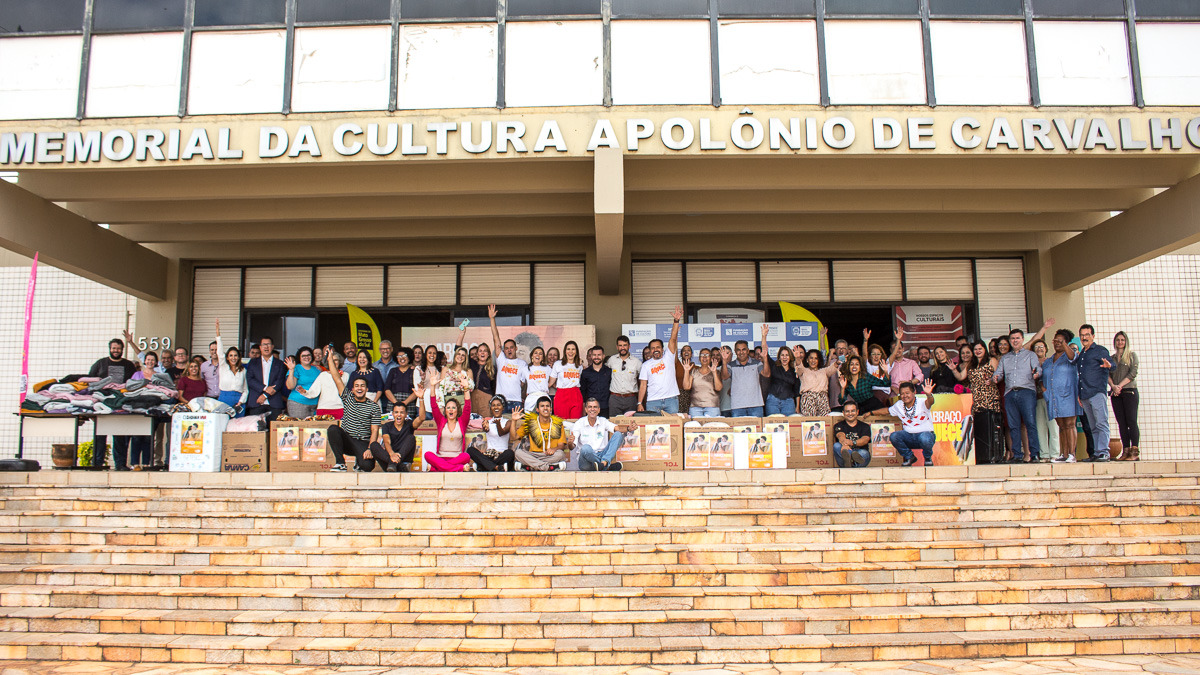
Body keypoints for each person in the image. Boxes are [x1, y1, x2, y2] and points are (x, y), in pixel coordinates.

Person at [993, 328, 1043, 463]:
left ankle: (1035, 454)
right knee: (1013, 425)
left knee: (1030, 423)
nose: (1015, 340)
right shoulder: (1005, 358)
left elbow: (1038, 368)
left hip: (1026, 391)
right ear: (1010, 341)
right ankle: (1017, 455)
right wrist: (995, 377)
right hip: (1010, 393)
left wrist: (1037, 374)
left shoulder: (1030, 355)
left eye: (1017, 338)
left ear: (1022, 340)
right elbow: (998, 373)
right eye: (1013, 338)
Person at [325, 373, 383, 473]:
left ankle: (359, 463)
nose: (359, 388)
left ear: (367, 389)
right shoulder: (348, 398)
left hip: (363, 442)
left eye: (362, 386)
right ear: (352, 389)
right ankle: (340, 463)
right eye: (356, 386)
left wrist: (369, 449)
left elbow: (375, 430)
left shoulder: (374, 407)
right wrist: (330, 358)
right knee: (333, 429)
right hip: (348, 440)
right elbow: (337, 379)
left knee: (367, 467)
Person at [958, 340, 1003, 464]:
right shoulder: (971, 364)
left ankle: (994, 455)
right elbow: (961, 377)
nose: (978, 351)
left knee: (991, 427)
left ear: (985, 349)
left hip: (990, 397)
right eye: (975, 349)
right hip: (976, 399)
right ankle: (982, 456)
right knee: (979, 428)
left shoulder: (992, 360)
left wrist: (993, 380)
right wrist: (953, 369)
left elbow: (999, 374)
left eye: (980, 349)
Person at [1076, 324, 1113, 463]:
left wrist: (1109, 365)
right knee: (1093, 426)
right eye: (1082, 335)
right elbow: (1080, 375)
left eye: (1087, 335)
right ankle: (1097, 453)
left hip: (1097, 392)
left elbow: (1111, 363)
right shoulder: (1082, 354)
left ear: (1093, 336)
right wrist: (1080, 394)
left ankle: (1104, 452)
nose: (1084, 337)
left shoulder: (1099, 350)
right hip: (1085, 395)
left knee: (1101, 423)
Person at [638, 306, 685, 414]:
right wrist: (639, 402)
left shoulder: (668, 357)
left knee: (673, 427)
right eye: (653, 348)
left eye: (658, 347)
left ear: (662, 349)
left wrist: (676, 321)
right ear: (649, 351)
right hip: (653, 401)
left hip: (671, 400)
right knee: (653, 429)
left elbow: (672, 339)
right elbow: (643, 385)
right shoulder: (646, 365)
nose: (656, 350)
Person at [569, 398, 638, 471]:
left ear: (599, 410)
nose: (592, 409)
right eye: (590, 407)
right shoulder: (579, 423)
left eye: (595, 407)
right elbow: (571, 447)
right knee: (585, 448)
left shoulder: (603, 421)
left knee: (618, 435)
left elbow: (617, 428)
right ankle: (606, 467)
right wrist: (570, 443)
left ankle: (603, 464)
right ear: (586, 409)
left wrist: (628, 429)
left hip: (602, 455)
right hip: (586, 462)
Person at [1043, 329, 1079, 463]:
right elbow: (1042, 377)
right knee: (1061, 425)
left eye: (1060, 341)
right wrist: (1044, 390)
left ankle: (1072, 454)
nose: (1057, 343)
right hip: (1053, 397)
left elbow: (1072, 357)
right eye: (1055, 341)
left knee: (1070, 424)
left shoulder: (1070, 355)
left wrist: (1065, 345)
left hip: (1068, 395)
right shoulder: (1049, 360)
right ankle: (1063, 454)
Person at [719, 322, 770, 416]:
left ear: (747, 350)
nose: (741, 352)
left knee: (757, 431)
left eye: (743, 349)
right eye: (738, 350)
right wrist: (724, 361)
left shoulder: (756, 363)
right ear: (735, 352)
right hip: (737, 406)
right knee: (739, 431)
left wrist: (765, 359)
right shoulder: (731, 365)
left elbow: (766, 374)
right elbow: (724, 377)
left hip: (756, 405)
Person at [488, 305, 529, 413]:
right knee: (501, 427)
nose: (509, 350)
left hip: (517, 402)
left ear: (516, 348)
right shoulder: (501, 360)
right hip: (501, 401)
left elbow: (523, 384)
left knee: (516, 429)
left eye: (511, 348)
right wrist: (492, 319)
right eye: (506, 348)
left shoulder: (522, 364)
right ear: (503, 350)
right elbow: (496, 338)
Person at [512, 394, 568, 471]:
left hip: (549, 455)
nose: (545, 408)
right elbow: (514, 437)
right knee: (518, 453)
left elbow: (561, 446)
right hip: (533, 455)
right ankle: (547, 467)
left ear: (551, 409)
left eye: (547, 406)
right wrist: (514, 421)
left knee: (560, 454)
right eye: (542, 406)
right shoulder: (530, 423)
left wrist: (554, 449)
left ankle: (532, 466)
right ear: (537, 409)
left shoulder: (558, 424)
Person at [888, 379, 937, 467]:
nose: (904, 396)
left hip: (925, 436)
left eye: (907, 393)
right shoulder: (899, 405)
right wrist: (871, 413)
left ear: (914, 393)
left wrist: (929, 394)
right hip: (909, 437)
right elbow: (887, 411)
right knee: (894, 436)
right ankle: (909, 457)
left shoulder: (922, 402)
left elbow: (930, 402)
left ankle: (927, 458)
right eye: (902, 393)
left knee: (925, 438)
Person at [1110, 331, 1139, 461]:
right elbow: (1107, 375)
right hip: (1116, 394)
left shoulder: (1132, 356)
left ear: (1126, 341)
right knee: (1121, 422)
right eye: (1118, 340)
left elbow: (1132, 373)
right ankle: (1126, 449)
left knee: (1131, 421)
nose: (1120, 342)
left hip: (1129, 391)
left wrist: (1119, 386)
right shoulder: (1112, 358)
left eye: (1122, 340)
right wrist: (1114, 387)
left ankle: (1134, 450)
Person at [371, 399, 421, 472]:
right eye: (396, 412)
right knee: (373, 445)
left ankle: (393, 464)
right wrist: (392, 454)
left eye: (402, 412)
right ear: (393, 414)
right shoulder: (387, 426)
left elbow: (421, 418)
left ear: (406, 414)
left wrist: (421, 399)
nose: (399, 415)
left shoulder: (409, 424)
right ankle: (393, 464)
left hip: (403, 462)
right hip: (391, 465)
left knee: (411, 438)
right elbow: (386, 441)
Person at [297, 352, 351, 419]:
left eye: (336, 360)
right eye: (331, 360)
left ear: (340, 361)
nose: (334, 362)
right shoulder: (323, 375)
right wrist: (305, 392)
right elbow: (314, 391)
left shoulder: (346, 375)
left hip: (341, 408)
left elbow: (349, 394)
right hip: (324, 408)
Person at [1030, 339, 1059, 461]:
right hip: (1036, 398)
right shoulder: (1031, 363)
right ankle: (1044, 454)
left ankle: (1055, 454)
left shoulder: (1051, 361)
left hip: (1050, 398)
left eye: (1041, 346)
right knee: (1040, 427)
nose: (1039, 349)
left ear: (1046, 348)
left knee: (1053, 427)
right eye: (1036, 347)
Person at [471, 395, 516, 472]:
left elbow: (502, 433)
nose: (496, 407)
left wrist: (498, 424)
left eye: (498, 405)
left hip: (502, 455)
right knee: (470, 450)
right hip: (489, 455)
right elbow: (486, 429)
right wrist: (485, 426)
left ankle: (484, 466)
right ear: (491, 408)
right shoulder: (487, 422)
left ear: (503, 408)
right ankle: (497, 467)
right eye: (493, 405)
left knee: (510, 453)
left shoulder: (508, 422)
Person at [246, 336, 287, 419]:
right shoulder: (253, 362)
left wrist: (265, 395)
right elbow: (250, 380)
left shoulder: (280, 364)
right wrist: (264, 388)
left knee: (274, 431)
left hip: (274, 404)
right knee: (256, 430)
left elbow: (279, 382)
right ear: (260, 347)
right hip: (256, 402)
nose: (266, 347)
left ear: (272, 347)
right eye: (264, 344)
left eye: (268, 344)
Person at [798, 331, 838, 416]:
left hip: (822, 398)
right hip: (808, 398)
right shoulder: (803, 370)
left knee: (824, 422)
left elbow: (833, 367)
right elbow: (798, 365)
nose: (813, 360)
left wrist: (840, 360)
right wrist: (797, 357)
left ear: (819, 360)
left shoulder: (824, 371)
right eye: (811, 358)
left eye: (816, 358)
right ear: (807, 360)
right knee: (810, 423)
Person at [213, 320, 247, 414]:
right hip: (224, 398)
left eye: (235, 355)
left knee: (237, 426)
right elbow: (219, 353)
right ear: (227, 357)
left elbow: (245, 390)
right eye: (231, 355)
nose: (233, 358)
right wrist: (218, 334)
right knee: (223, 425)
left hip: (239, 401)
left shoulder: (243, 370)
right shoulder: (223, 367)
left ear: (239, 357)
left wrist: (240, 402)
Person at [607, 335, 641, 417]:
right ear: (617, 347)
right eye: (620, 345)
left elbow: (643, 380)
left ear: (629, 346)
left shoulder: (637, 362)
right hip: (615, 398)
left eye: (625, 345)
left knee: (631, 424)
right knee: (614, 423)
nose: (623, 348)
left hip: (630, 398)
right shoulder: (611, 360)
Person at [283, 347, 321, 418]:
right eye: (303, 356)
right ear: (299, 358)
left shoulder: (317, 370)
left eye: (308, 355)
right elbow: (290, 386)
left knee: (314, 428)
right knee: (300, 428)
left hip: (315, 404)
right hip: (298, 403)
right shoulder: (296, 368)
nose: (306, 357)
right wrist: (291, 370)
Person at [683, 348, 722, 417]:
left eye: (707, 355)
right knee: (695, 427)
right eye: (702, 355)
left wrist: (714, 372)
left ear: (710, 358)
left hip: (712, 407)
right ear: (699, 358)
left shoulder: (716, 372)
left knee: (712, 427)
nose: (704, 357)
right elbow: (686, 387)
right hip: (695, 407)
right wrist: (686, 371)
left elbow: (718, 388)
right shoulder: (694, 371)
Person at [550, 341, 584, 419]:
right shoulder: (558, 364)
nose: (570, 352)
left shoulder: (579, 365)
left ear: (576, 351)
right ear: (565, 351)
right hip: (561, 395)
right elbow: (551, 382)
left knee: (575, 422)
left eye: (573, 349)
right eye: (568, 349)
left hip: (575, 394)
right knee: (562, 423)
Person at [833, 400, 872, 468]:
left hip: (859, 453)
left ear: (857, 412)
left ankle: (850, 462)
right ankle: (850, 460)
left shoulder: (865, 426)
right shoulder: (838, 425)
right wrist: (845, 445)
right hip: (844, 452)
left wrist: (851, 443)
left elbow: (865, 440)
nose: (850, 413)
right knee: (836, 446)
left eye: (853, 411)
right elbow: (840, 435)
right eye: (847, 411)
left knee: (864, 453)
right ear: (843, 413)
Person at [764, 342, 799, 416]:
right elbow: (765, 352)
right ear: (779, 357)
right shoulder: (774, 366)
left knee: (788, 425)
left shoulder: (794, 370)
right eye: (782, 355)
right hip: (773, 401)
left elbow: (797, 390)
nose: (784, 357)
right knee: (773, 425)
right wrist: (764, 335)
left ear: (790, 357)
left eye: (787, 355)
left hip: (788, 402)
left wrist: (798, 406)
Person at [384, 348, 419, 419]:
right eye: (399, 357)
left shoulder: (414, 371)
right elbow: (387, 389)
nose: (401, 358)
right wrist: (396, 403)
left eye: (404, 356)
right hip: (393, 403)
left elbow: (417, 390)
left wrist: (405, 403)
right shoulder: (393, 371)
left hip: (409, 403)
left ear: (409, 357)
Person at [580, 345, 612, 418]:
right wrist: (584, 408)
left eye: (599, 355)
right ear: (591, 356)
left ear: (603, 356)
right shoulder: (585, 372)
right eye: (594, 355)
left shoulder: (609, 371)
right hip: (591, 408)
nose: (596, 357)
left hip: (605, 406)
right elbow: (583, 391)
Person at [470, 341, 497, 418]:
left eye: (485, 351)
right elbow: (458, 350)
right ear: (477, 354)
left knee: (485, 422)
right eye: (480, 351)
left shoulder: (492, 368)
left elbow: (494, 387)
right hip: (472, 397)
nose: (482, 353)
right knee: (472, 421)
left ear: (488, 354)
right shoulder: (472, 364)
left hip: (486, 398)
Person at [712, 348, 733, 416]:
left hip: (732, 406)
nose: (715, 357)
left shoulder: (731, 367)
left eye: (718, 355)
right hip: (717, 407)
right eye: (713, 355)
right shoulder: (709, 371)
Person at [676, 344, 695, 415]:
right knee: (680, 417)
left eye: (688, 350)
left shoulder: (696, 368)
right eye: (684, 350)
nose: (686, 352)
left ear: (692, 354)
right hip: (679, 395)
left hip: (692, 395)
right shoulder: (676, 365)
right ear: (681, 354)